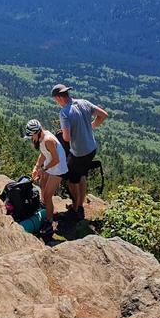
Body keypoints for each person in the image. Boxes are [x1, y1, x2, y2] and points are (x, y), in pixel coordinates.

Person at [51, 84, 109, 219]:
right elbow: (103, 115)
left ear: (59, 97)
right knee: (82, 175)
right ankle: (81, 204)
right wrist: (91, 126)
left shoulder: (64, 112)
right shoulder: (84, 102)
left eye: (55, 99)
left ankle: (75, 208)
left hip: (79, 152)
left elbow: (66, 137)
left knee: (72, 180)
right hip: (92, 149)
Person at [24, 119, 68, 238]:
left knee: (48, 195)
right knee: (42, 186)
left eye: (31, 136)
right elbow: (43, 153)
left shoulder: (48, 140)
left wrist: (43, 169)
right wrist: (37, 167)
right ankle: (46, 209)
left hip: (58, 169)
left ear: (36, 132)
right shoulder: (42, 138)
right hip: (50, 166)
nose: (31, 138)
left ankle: (49, 221)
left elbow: (56, 159)